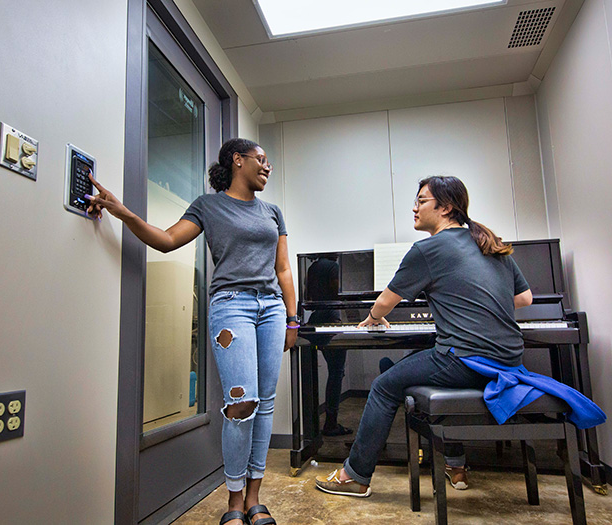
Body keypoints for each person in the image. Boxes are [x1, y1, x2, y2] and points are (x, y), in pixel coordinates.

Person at [86, 138, 297, 525]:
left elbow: (283, 268)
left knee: (265, 403)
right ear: (238, 160)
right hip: (231, 304)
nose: (267, 167)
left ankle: (254, 498)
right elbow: (167, 241)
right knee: (242, 402)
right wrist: (122, 213)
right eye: (261, 160)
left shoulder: (273, 212)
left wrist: (292, 317)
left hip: (271, 309)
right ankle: (234, 503)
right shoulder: (208, 205)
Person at [315, 175, 532, 497]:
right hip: (509, 361)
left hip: (466, 361)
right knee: (423, 372)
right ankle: (455, 462)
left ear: (445, 207)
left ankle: (355, 476)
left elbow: (386, 301)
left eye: (421, 201)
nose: (414, 208)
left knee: (385, 385)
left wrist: (374, 318)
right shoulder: (490, 242)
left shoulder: (429, 249)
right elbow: (524, 299)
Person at [305, 256, 353, 436]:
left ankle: (311, 428)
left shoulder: (312, 267)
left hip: (316, 317)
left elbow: (308, 295)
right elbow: (335, 293)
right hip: (331, 317)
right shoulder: (332, 265)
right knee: (336, 372)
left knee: (317, 372)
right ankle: (331, 424)